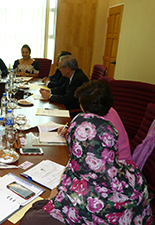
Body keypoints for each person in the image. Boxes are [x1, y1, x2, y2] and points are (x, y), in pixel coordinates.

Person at [21, 80, 152, 224]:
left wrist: (50, 199)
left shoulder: (81, 193)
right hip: (116, 171)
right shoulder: (106, 120)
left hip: (100, 180)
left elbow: (37, 217)